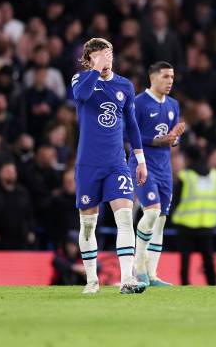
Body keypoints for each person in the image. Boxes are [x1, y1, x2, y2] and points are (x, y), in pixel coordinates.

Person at [71, 37, 148, 294]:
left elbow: (133, 125)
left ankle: (127, 279)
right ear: (89, 60)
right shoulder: (80, 80)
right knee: (88, 224)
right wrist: (95, 69)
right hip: (88, 165)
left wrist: (140, 160)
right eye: (99, 57)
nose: (105, 61)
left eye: (108, 55)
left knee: (125, 218)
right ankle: (92, 280)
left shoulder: (124, 85)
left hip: (117, 164)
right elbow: (81, 96)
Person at [129, 61, 185, 287]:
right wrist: (157, 140)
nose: (170, 81)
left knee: (160, 221)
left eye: (172, 77)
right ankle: (138, 268)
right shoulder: (138, 103)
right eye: (165, 76)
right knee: (151, 213)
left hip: (164, 169)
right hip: (143, 165)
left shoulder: (173, 105)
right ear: (152, 78)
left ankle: (152, 275)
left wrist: (174, 139)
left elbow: (170, 139)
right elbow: (128, 136)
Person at [172, 147, 216, 285]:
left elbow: (176, 200)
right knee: (208, 259)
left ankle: (185, 284)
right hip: (207, 223)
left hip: (186, 224)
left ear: (187, 159)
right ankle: (213, 284)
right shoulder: (214, 175)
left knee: (185, 260)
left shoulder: (185, 176)